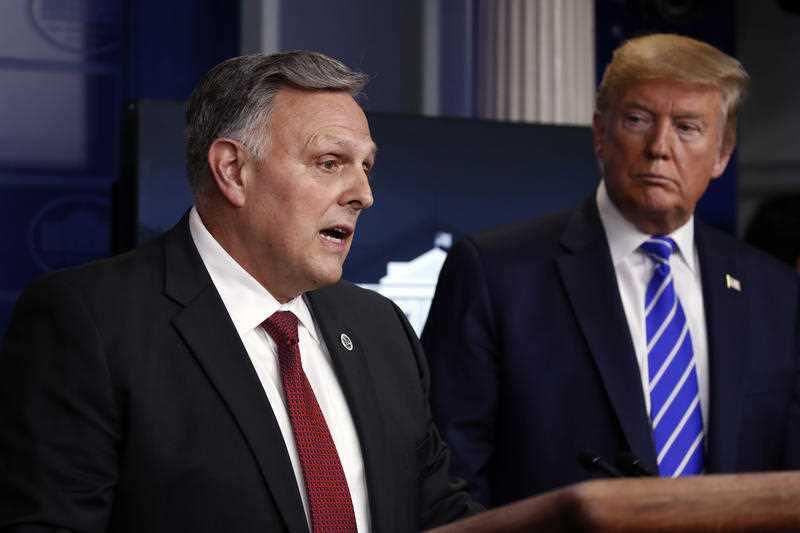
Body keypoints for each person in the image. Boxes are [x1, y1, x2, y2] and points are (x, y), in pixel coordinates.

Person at [0, 51, 480, 532]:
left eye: (366, 167)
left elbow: (437, 511)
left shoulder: (381, 328)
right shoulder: (90, 320)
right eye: (330, 162)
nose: (362, 194)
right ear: (232, 169)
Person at [422, 33, 800, 508]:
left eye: (687, 127)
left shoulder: (777, 295)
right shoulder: (496, 274)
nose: (660, 147)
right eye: (639, 120)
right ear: (601, 133)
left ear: (722, 153)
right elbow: (451, 478)